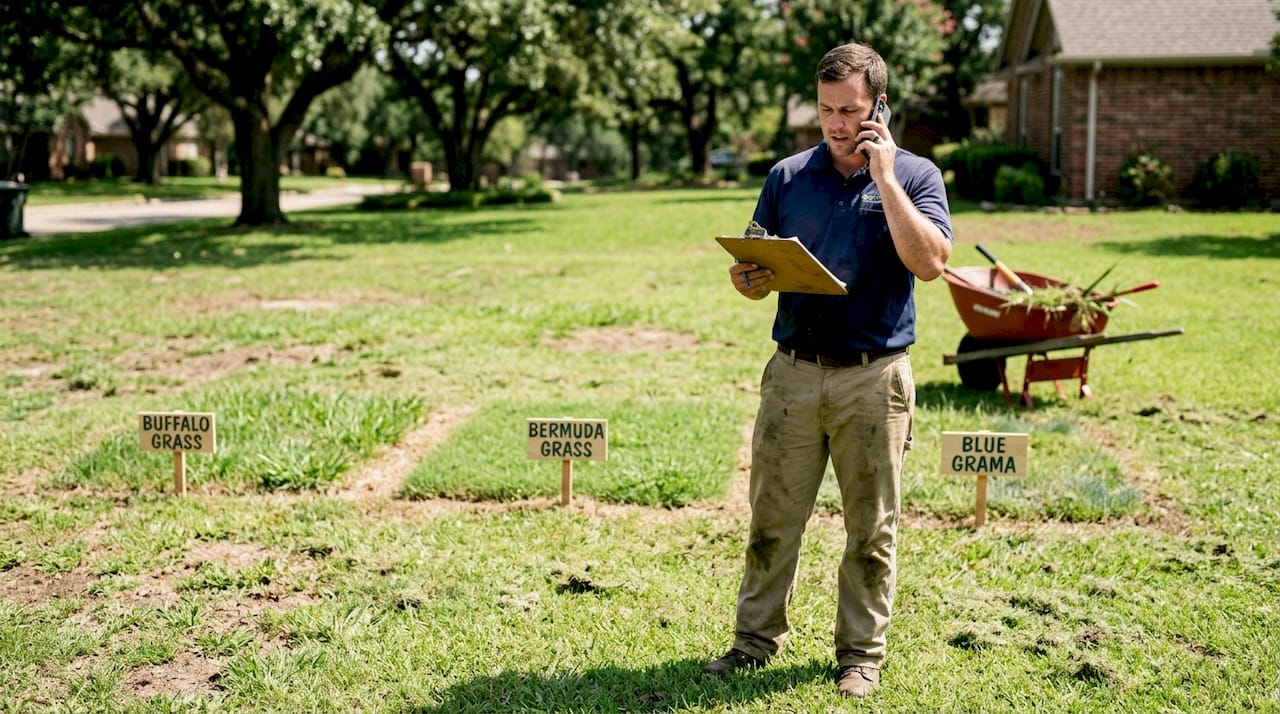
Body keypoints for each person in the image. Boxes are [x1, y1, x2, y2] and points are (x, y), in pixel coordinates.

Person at [703, 42, 953, 698]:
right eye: (826, 110)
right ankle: (753, 642)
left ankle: (861, 656)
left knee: (871, 530)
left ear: (879, 108)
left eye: (850, 111)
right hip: (792, 373)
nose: (837, 124)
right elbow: (757, 266)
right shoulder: (787, 177)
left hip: (874, 378)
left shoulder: (917, 176)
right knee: (771, 520)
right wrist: (748, 279)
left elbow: (930, 263)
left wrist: (885, 177)